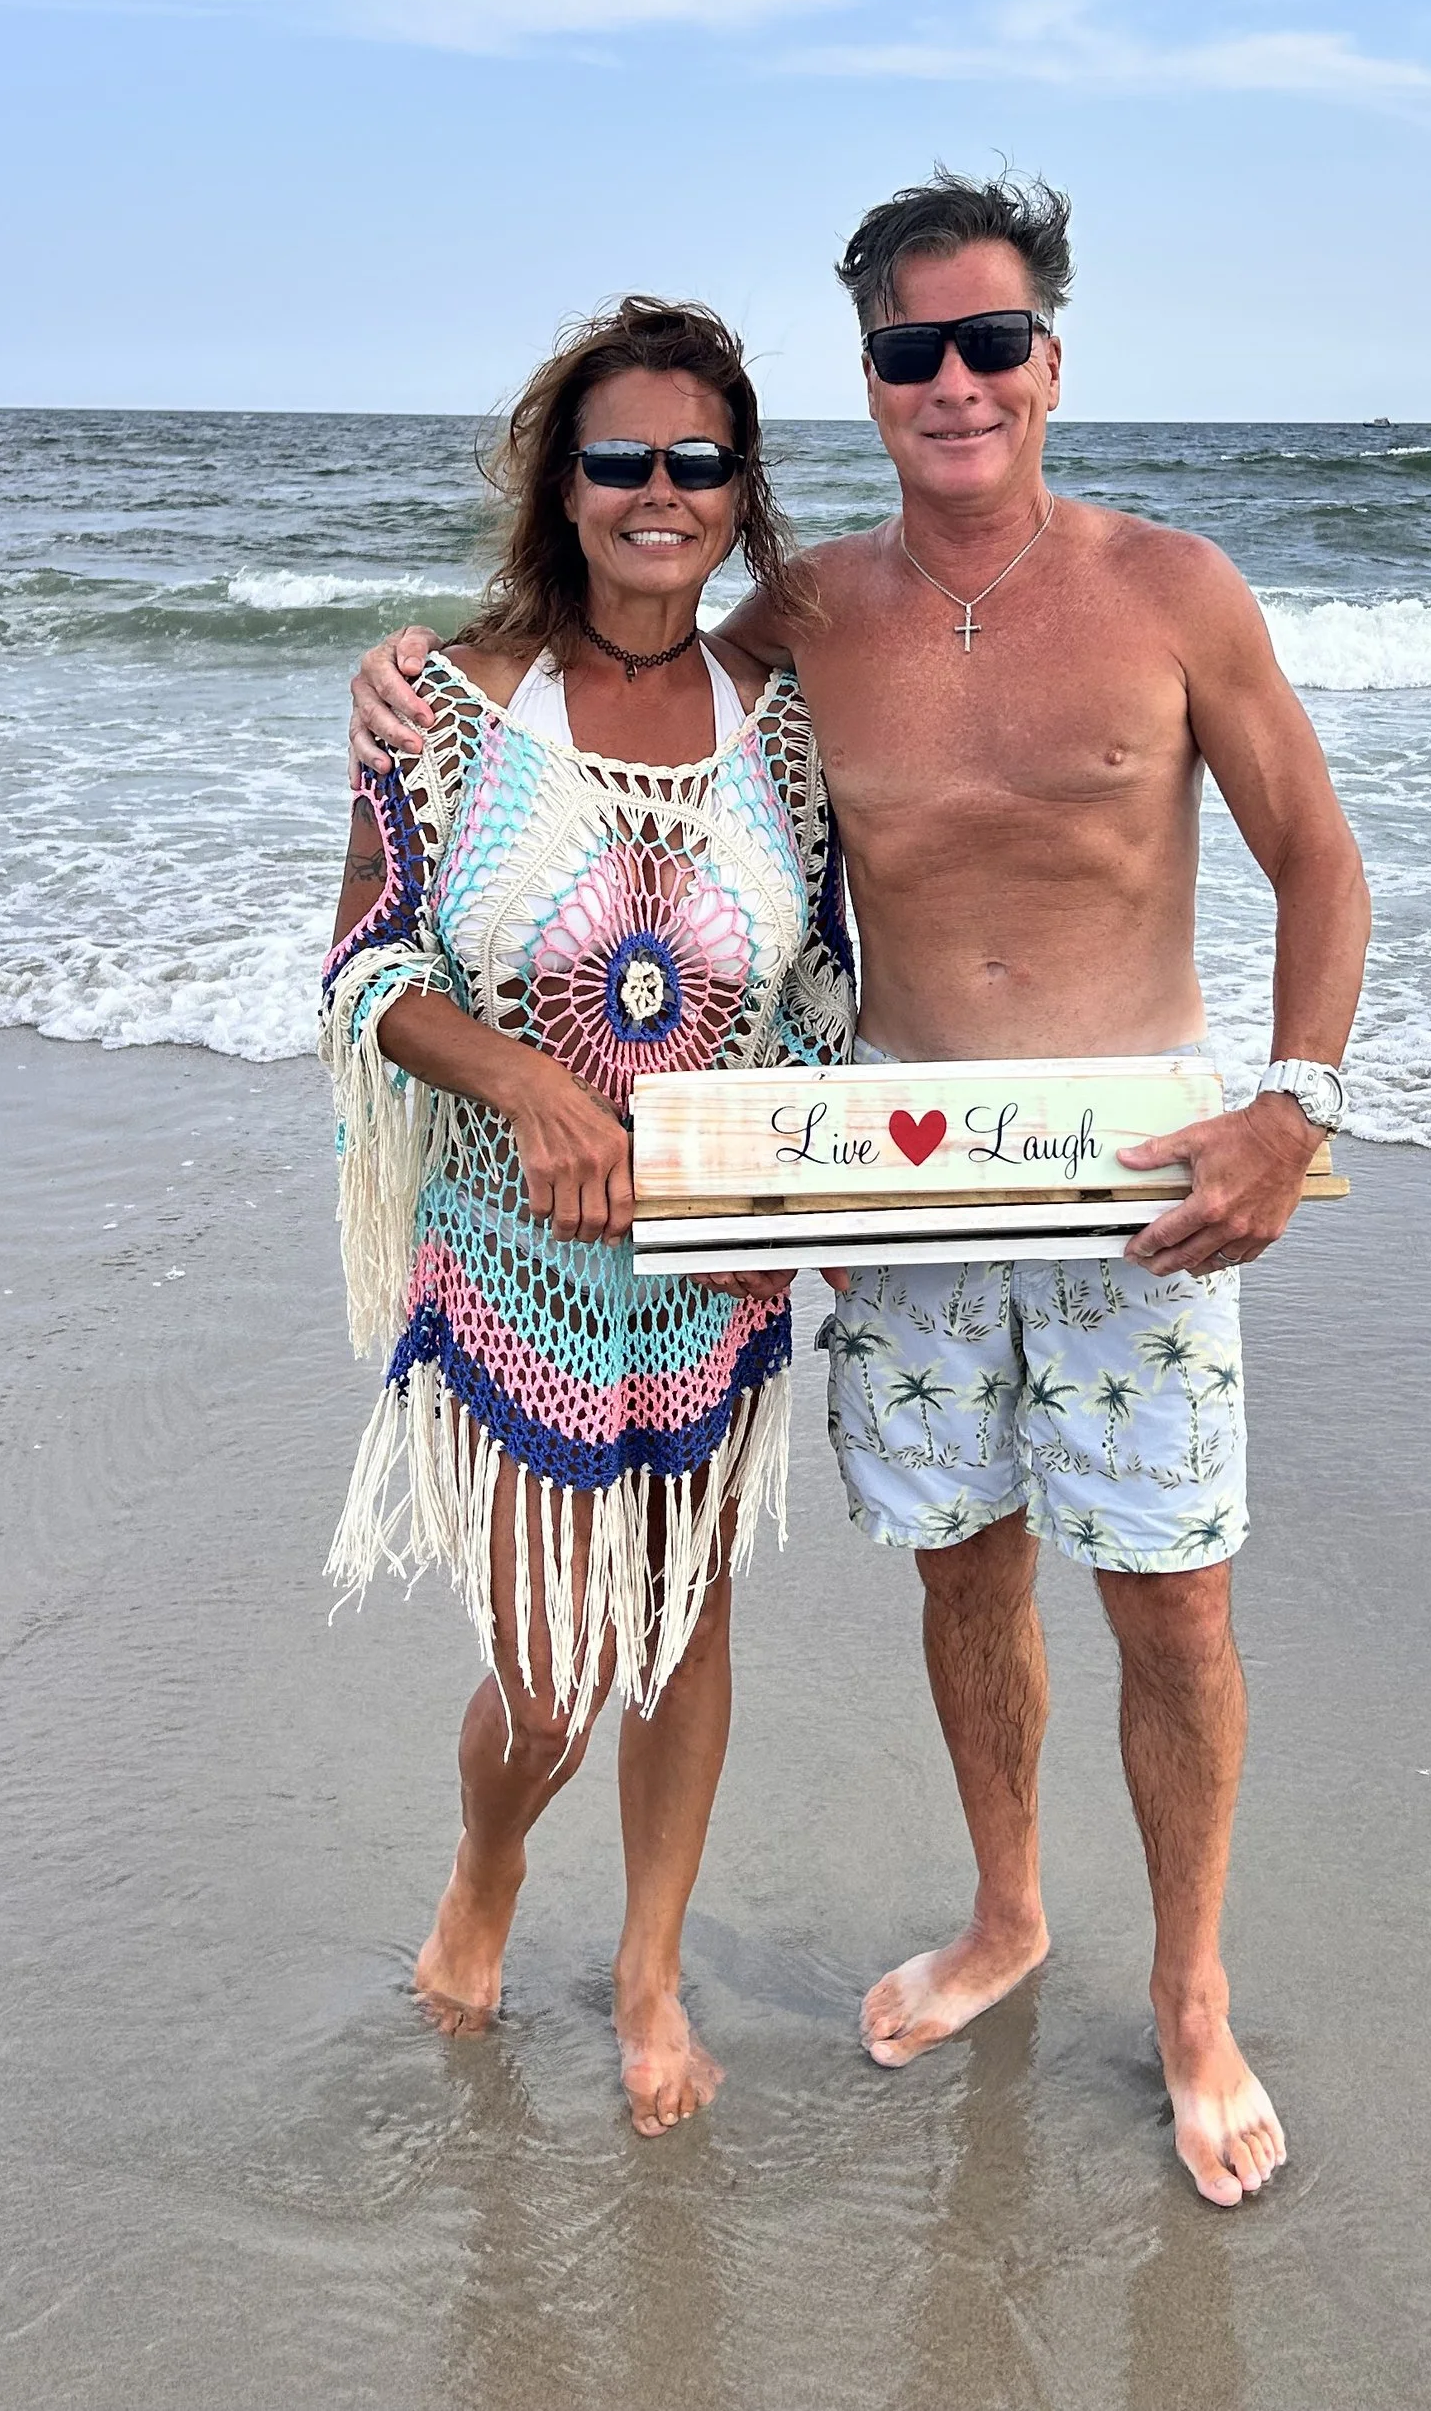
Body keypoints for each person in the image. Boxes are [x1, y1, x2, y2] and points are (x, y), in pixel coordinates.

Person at [351, 175, 1371, 2206]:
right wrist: (400, 677)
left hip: (1131, 1170)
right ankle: (1006, 1913)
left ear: (1051, 362)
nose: (955, 381)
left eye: (990, 341)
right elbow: (605, 683)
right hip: (889, 1167)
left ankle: (1186, 1992)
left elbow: (1318, 862)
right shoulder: (801, 629)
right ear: (870, 382)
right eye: (911, 350)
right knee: (961, 1566)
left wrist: (1291, 1102)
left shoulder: (1175, 589)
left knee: (1172, 1599)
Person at [323, 295, 853, 2137]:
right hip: (519, 1263)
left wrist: (841, 1177)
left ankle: (650, 1968)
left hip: (716, 1264)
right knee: (554, 1666)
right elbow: (369, 970)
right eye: (618, 459)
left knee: (688, 1621)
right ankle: (489, 1863)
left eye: (695, 463)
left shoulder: (777, 728)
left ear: (739, 493)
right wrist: (532, 1082)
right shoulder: (445, 707)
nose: (657, 492)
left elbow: (820, 992)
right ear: (562, 487)